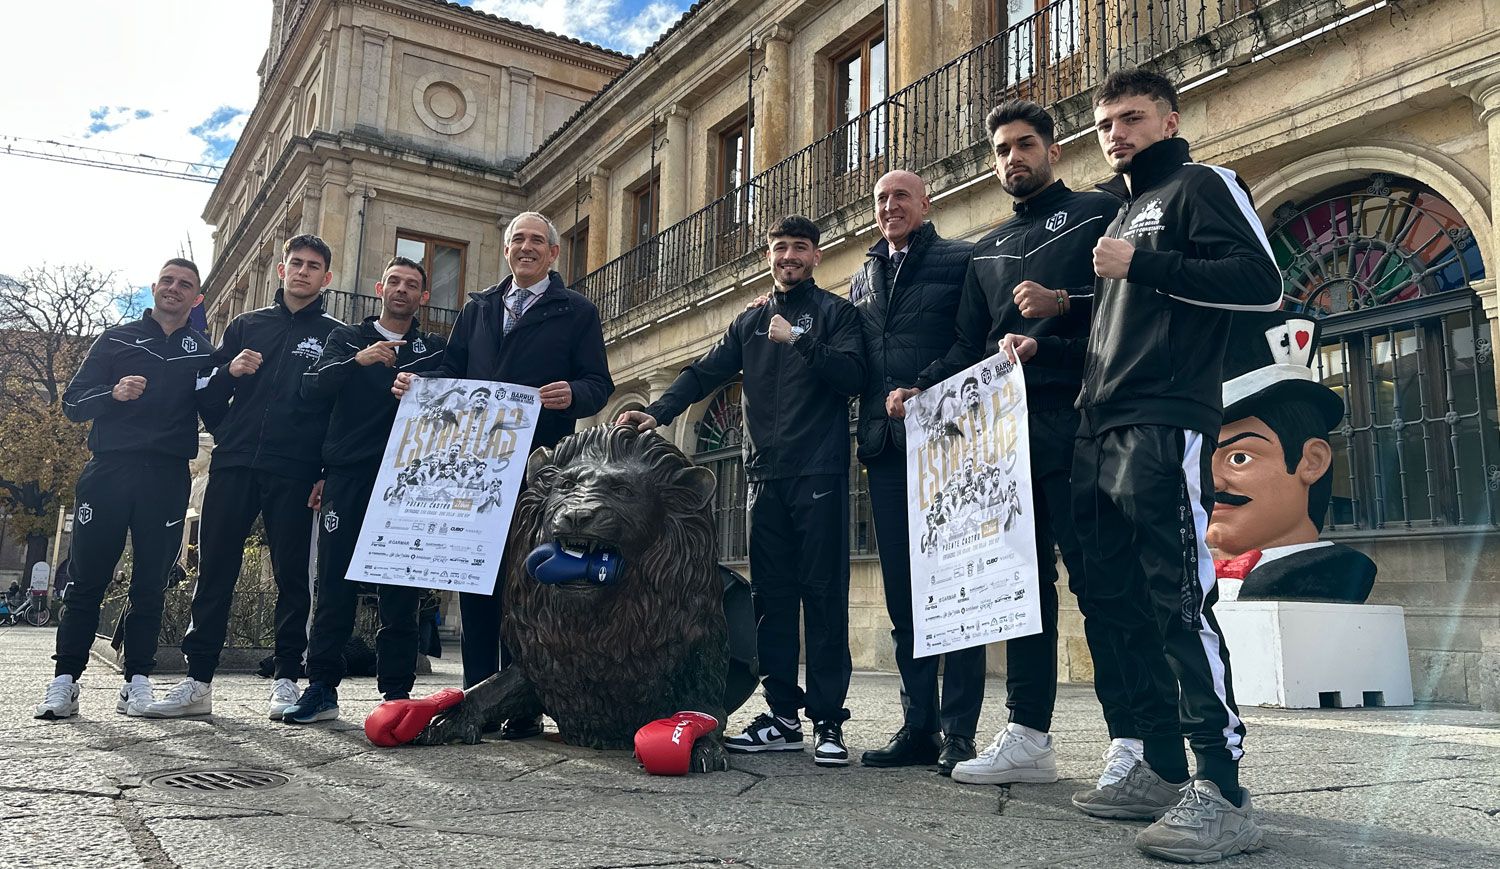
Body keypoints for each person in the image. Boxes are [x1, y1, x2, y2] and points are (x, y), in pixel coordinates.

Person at [1009, 70, 1279, 862]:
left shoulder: (1201, 184)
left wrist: (1144, 265)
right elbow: (1125, 314)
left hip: (1165, 418)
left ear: (1170, 118)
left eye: (1131, 117)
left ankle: (1223, 790)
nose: (1115, 132)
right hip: (1099, 425)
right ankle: (1160, 766)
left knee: (1178, 598)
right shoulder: (1122, 211)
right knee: (1119, 602)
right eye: (1104, 122)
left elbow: (1263, 286)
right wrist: (1058, 323)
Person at [890, 100, 1126, 787]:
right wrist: (920, 388)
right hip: (1000, 445)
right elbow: (967, 345)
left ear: (1052, 149)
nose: (1012, 159)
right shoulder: (985, 247)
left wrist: (1054, 320)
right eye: (1001, 150)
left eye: (1025, 145)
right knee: (1020, 590)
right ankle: (1027, 734)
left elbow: (1119, 311)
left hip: (1079, 423)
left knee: (1098, 584)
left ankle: (1133, 741)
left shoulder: (1092, 214)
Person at [618, 215, 865, 767]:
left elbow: (853, 377)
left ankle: (828, 722)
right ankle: (782, 718)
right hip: (763, 478)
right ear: (769, 256)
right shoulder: (748, 323)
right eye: (779, 249)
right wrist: (655, 413)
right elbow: (703, 374)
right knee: (770, 602)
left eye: (799, 248)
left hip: (819, 475)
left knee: (824, 599)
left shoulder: (835, 313)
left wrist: (799, 339)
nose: (788, 257)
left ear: (816, 257)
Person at [392, 211, 613, 739]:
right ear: (507, 250)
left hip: (540, 469)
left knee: (526, 582)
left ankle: (524, 702)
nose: (527, 247)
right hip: (476, 466)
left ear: (554, 254)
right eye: (519, 240)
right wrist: (415, 383)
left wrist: (574, 394)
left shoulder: (576, 311)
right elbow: (453, 368)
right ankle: (477, 694)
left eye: (538, 240)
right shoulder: (480, 308)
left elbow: (598, 383)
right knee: (475, 579)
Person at [148, 236, 343, 720]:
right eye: (295, 263)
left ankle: (284, 680)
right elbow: (207, 400)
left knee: (293, 578)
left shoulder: (337, 335)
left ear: (326, 278)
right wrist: (230, 374)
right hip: (235, 464)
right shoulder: (245, 324)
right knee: (214, 571)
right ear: (281, 269)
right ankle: (198, 680)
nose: (302, 272)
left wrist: (324, 472)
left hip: (296, 472)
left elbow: (338, 410)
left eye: (313, 266)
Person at [844, 169, 981, 774]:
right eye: (881, 199)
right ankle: (916, 726)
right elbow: (855, 356)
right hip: (885, 449)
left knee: (956, 589)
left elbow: (972, 340)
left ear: (926, 203)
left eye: (901, 196)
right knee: (904, 597)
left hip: (948, 442)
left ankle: (959, 734)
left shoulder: (961, 259)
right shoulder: (862, 275)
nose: (890, 206)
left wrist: (923, 385)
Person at [35, 259, 213, 720]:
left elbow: (218, 409)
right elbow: (73, 403)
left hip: (168, 476)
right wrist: (111, 393)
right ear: (154, 288)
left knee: (150, 584)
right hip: (109, 470)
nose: (174, 288)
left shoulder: (201, 350)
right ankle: (66, 681)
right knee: (86, 580)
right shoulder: (115, 338)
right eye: (168, 281)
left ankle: (137, 681)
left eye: (186, 285)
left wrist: (233, 373)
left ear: (197, 299)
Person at [279, 256, 448, 725]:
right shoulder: (346, 338)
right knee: (334, 585)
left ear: (423, 297)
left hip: (408, 483)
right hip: (348, 475)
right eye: (394, 281)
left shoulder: (433, 349)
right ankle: (321, 689)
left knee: (401, 592)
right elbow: (309, 391)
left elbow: (457, 401)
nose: (401, 290)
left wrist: (425, 385)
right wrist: (358, 361)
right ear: (379, 287)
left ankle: (396, 695)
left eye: (411, 285)